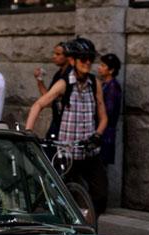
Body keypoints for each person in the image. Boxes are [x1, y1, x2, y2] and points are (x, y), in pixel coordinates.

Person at [26, 38, 108, 214]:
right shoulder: (64, 84)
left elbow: (103, 117)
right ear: (72, 60)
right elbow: (38, 105)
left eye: (90, 59)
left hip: (88, 150)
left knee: (101, 195)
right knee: (64, 196)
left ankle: (88, 221)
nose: (87, 63)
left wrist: (98, 135)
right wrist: (28, 132)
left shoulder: (95, 83)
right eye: (83, 59)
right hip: (67, 152)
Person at [34, 41, 70, 133]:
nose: (54, 56)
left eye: (58, 54)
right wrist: (39, 79)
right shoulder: (58, 74)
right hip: (57, 120)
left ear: (68, 57)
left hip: (68, 122)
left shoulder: (70, 76)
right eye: (54, 53)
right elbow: (48, 98)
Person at [97, 53, 122, 166]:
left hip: (105, 132)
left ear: (111, 70)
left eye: (103, 66)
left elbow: (108, 111)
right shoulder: (104, 84)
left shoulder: (113, 86)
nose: (99, 68)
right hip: (101, 130)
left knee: (100, 166)